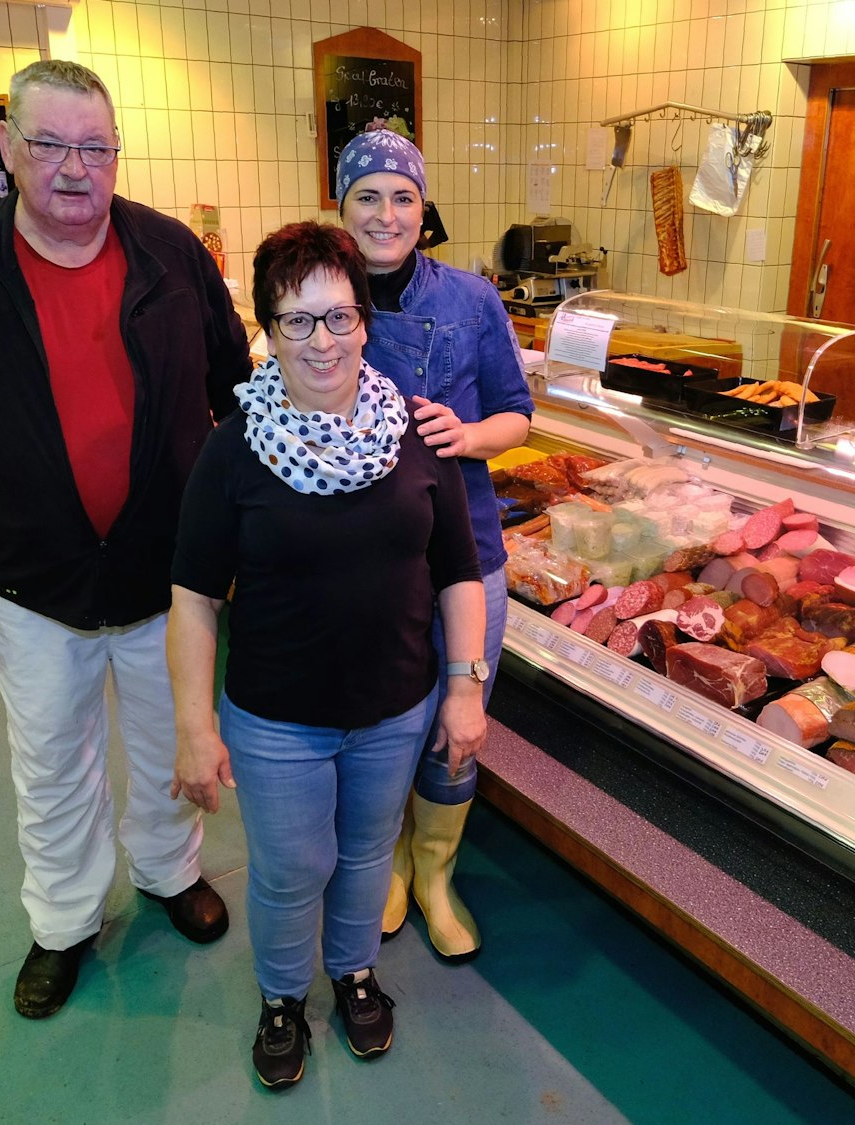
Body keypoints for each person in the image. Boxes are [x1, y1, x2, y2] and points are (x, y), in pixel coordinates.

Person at [0, 59, 250, 1020]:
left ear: (117, 154)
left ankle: (171, 875)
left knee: (176, 739)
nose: (74, 169)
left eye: (95, 147)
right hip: (30, 576)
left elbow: (236, 399)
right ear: (6, 147)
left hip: (167, 572)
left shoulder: (175, 255)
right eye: (49, 144)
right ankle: (62, 922)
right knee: (51, 758)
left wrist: (247, 544)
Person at [167, 221, 488, 1087]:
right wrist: (195, 727)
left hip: (395, 705)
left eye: (340, 318)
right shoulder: (232, 448)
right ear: (268, 330)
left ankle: (352, 973)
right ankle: (281, 996)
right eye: (298, 321)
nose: (323, 341)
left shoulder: (415, 434)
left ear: (364, 322)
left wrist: (465, 687)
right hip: (276, 716)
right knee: (288, 867)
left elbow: (458, 571)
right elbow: (193, 598)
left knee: (363, 854)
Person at [336, 129, 533, 960]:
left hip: (466, 552)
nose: (387, 214)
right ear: (341, 207)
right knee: (375, 720)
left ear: (425, 207)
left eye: (403, 196)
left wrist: (471, 432)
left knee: (460, 720)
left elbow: (519, 413)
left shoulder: (473, 300)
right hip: (360, 557)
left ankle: (435, 873)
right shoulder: (322, 294)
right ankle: (380, 868)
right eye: (368, 196)